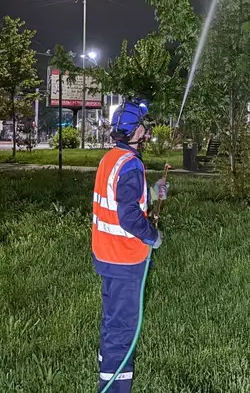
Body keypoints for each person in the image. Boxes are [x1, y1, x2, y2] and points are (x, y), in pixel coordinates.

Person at [92, 98, 168, 393]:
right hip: (125, 260)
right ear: (135, 131)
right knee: (123, 327)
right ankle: (113, 387)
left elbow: (121, 199)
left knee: (112, 322)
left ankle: (106, 371)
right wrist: (152, 236)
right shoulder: (131, 165)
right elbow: (127, 215)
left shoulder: (112, 158)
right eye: (143, 125)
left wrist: (151, 192)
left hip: (107, 255)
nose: (146, 130)